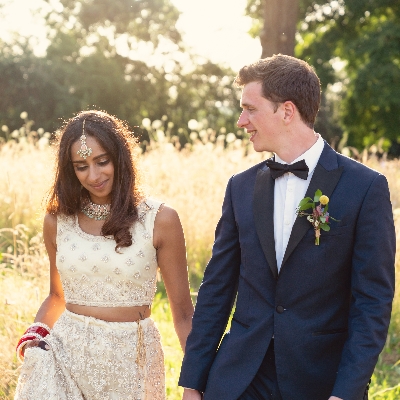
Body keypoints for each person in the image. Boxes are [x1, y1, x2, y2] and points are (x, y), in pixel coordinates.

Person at [179, 54, 396, 400]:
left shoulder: (365, 187)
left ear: (287, 111)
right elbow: (217, 288)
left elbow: (372, 302)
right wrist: (192, 382)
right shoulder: (240, 187)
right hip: (238, 381)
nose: (241, 121)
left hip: (319, 382)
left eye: (250, 109)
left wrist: (346, 392)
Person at [15, 110, 194, 400]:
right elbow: (57, 296)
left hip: (130, 363)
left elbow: (184, 314)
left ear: (119, 157)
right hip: (64, 357)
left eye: (102, 161)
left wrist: (196, 380)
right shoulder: (57, 220)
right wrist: (34, 339)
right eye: (81, 166)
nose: (94, 175)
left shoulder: (160, 219)